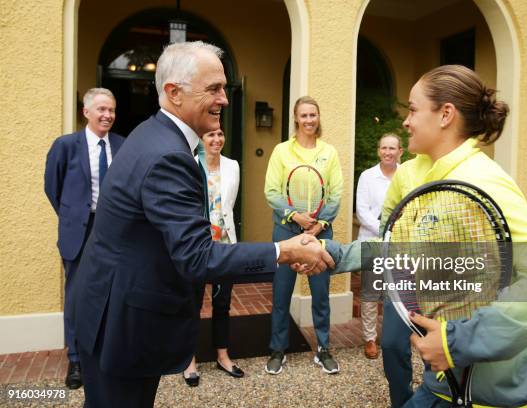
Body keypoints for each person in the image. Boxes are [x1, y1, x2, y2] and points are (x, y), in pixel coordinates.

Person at [72, 41, 334, 407]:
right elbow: (196, 257)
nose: (225, 99)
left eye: (224, 87)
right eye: (213, 89)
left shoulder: (151, 134)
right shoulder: (168, 155)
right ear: (173, 93)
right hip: (120, 326)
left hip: (107, 311)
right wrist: (283, 251)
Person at [326, 65, 527, 407]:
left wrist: (457, 341)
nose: (406, 121)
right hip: (442, 383)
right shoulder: (421, 174)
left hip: (497, 394)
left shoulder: (483, 180)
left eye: (413, 109)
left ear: (445, 115)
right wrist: (333, 255)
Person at [44, 88, 124, 390]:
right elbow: (53, 188)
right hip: (79, 230)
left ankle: (104, 349)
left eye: (112, 110)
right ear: (86, 112)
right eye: (102, 109)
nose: (107, 115)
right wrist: (74, 216)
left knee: (111, 289)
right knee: (77, 295)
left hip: (112, 230)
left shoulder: (122, 144)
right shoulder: (65, 146)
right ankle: (76, 359)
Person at [264, 96, 343, 375]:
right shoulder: (282, 151)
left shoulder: (329, 153)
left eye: (313, 115)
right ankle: (277, 350)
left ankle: (323, 349)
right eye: (304, 115)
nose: (309, 120)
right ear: (296, 119)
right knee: (281, 294)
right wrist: (295, 216)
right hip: (286, 231)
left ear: (318, 118)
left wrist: (318, 225)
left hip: (319, 233)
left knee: (321, 295)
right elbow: (272, 192)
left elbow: (335, 194)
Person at [182, 128, 244, 386]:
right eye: (211, 135)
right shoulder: (189, 164)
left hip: (225, 245)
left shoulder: (232, 166)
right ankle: (189, 360)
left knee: (222, 303)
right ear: (200, 139)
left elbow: (228, 206)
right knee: (192, 304)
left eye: (221, 134)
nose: (217, 139)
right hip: (197, 245)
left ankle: (222, 354)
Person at [356, 133, 403, 359]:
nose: (387, 152)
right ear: (378, 151)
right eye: (384, 148)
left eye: (392, 148)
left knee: (395, 293)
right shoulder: (367, 176)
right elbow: (363, 213)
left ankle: (392, 336)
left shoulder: (406, 176)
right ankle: (370, 339)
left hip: (399, 244)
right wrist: (387, 231)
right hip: (372, 242)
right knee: (370, 292)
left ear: (400, 151)